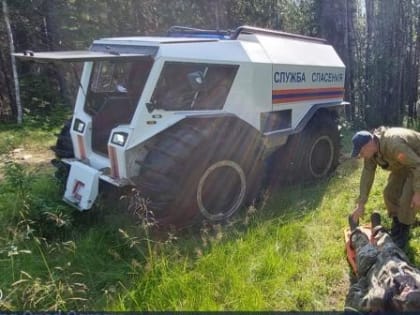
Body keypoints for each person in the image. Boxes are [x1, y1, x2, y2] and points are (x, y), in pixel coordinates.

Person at [350, 126, 420, 248]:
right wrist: (361, 204)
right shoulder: (372, 152)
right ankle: (399, 222)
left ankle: (402, 231)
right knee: (389, 193)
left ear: (369, 144)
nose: (361, 156)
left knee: (407, 200)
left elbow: (417, 165)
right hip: (405, 163)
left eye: (361, 152)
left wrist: (418, 192)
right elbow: (367, 174)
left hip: (417, 164)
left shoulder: (393, 145)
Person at [345, 212, 420, 312]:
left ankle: (355, 231)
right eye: (414, 291)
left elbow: (352, 302)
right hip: (393, 256)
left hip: (371, 265)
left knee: (361, 245)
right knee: (386, 239)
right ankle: (377, 228)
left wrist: (364, 281)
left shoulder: (378, 300)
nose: (409, 289)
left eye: (407, 294)